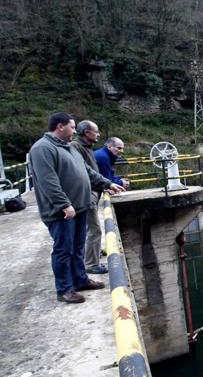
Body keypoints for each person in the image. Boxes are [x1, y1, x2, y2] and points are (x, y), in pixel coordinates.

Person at [29, 112, 125, 303]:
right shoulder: (42, 149)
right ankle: (64, 289)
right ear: (60, 126)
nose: (75, 130)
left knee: (77, 247)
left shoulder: (69, 147)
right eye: (72, 127)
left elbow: (87, 172)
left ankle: (80, 279)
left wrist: (107, 183)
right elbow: (48, 181)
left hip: (80, 207)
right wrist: (64, 204)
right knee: (63, 250)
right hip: (62, 212)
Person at [71, 120, 107, 275]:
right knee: (94, 229)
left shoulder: (85, 147)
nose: (98, 134)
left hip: (91, 192)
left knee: (90, 229)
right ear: (87, 132)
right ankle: (91, 264)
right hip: (87, 194)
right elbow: (85, 172)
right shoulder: (76, 147)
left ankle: (92, 255)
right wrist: (106, 184)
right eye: (96, 131)